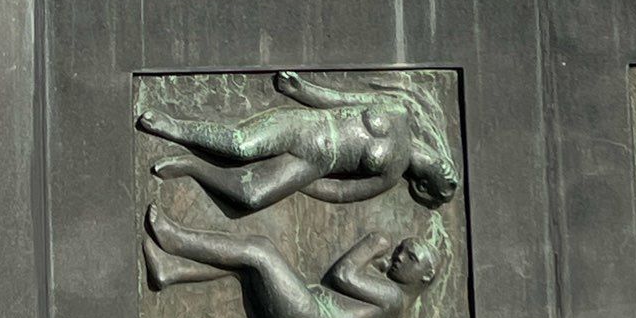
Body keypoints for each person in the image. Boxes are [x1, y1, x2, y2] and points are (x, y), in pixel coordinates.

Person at [143, 205, 440, 318]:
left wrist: (373, 244)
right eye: (402, 249)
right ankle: (173, 269)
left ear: (425, 277)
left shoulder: (393, 298)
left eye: (410, 257)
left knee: (260, 251)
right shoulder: (391, 296)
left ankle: (176, 239)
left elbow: (344, 275)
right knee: (245, 271)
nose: (400, 256)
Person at [137, 71, 459, 211]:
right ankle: (175, 127)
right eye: (449, 168)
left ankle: (192, 166)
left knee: (252, 198)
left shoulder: (391, 176)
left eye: (444, 178)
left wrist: (302, 184)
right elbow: (342, 100)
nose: (445, 168)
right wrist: (301, 91)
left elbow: (343, 192)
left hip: (312, 165)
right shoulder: (397, 111)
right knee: (242, 145)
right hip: (309, 126)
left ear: (422, 186)